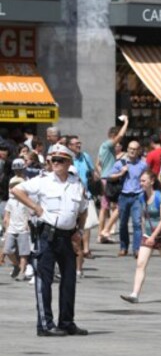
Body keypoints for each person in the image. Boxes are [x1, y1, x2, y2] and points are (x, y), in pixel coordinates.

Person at [12, 144, 88, 337]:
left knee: (69, 280)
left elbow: (83, 208)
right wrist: (36, 208)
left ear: (68, 162)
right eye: (52, 160)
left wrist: (79, 230)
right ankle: (45, 324)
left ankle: (67, 321)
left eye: (60, 160)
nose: (55, 163)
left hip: (68, 236)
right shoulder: (43, 181)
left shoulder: (76, 183)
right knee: (44, 280)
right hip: (47, 235)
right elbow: (17, 191)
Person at [120, 170, 161, 304]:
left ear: (151, 181)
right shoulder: (142, 197)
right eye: (140, 181)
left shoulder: (160, 197)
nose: (141, 183)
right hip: (148, 235)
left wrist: (153, 236)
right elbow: (143, 216)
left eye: (143, 180)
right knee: (140, 264)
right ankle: (135, 294)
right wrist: (144, 234)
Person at [109, 140, 149, 258]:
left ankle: (136, 249)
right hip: (123, 196)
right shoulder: (120, 163)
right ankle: (123, 247)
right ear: (127, 149)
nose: (132, 151)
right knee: (122, 224)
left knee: (137, 223)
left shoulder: (143, 165)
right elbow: (110, 177)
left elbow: (147, 179)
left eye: (135, 149)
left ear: (139, 151)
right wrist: (121, 173)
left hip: (137, 196)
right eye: (130, 148)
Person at [96, 115, 128, 244]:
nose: (118, 144)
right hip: (109, 180)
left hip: (105, 178)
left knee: (105, 208)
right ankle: (105, 230)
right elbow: (120, 136)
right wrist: (126, 122)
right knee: (120, 205)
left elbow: (97, 163)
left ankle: (101, 234)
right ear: (113, 136)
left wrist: (101, 174)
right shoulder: (107, 145)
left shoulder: (103, 148)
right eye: (117, 141)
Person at [66, 135, 96, 262]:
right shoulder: (66, 158)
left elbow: (92, 171)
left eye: (79, 143)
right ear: (69, 146)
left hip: (85, 194)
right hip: (70, 195)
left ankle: (86, 249)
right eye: (75, 144)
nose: (78, 145)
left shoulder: (85, 156)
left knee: (87, 224)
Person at [4, 176, 32, 280]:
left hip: (23, 228)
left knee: (23, 252)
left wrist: (27, 225)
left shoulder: (26, 200)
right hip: (12, 228)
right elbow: (7, 215)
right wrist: (7, 227)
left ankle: (22, 271)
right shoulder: (10, 201)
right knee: (8, 250)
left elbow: (30, 213)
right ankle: (17, 265)